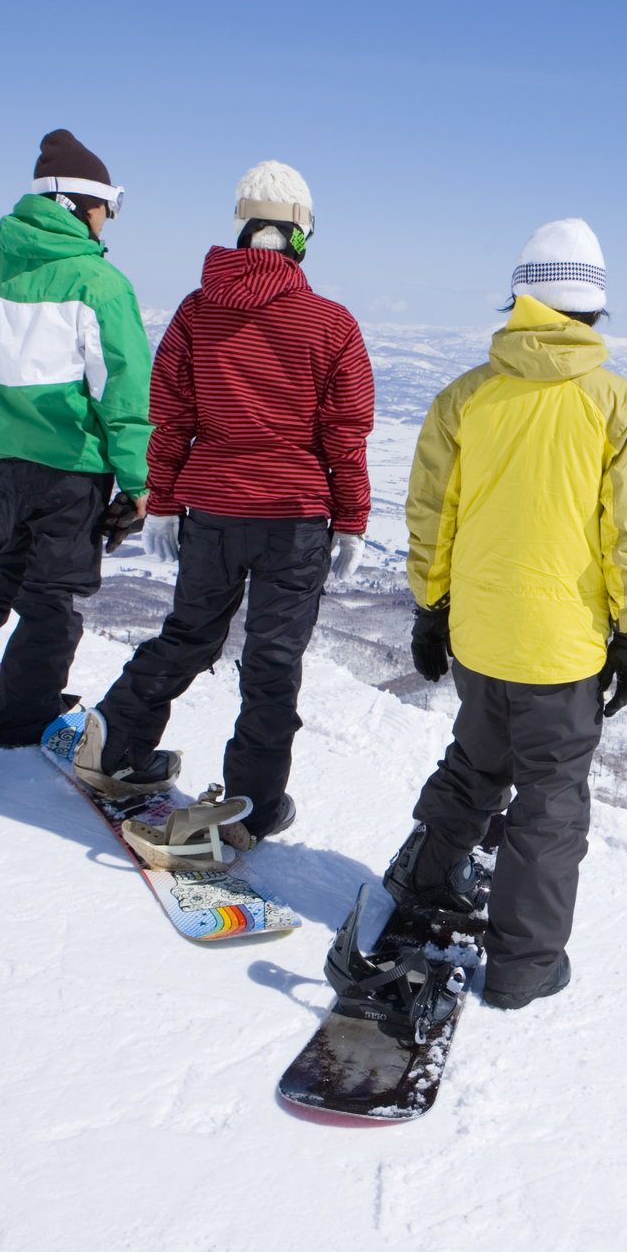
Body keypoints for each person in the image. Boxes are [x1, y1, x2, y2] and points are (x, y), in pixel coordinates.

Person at [372, 217, 627, 1010]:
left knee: (475, 765)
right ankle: (522, 968)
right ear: (593, 308)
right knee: (550, 802)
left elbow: (431, 514)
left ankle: (422, 884)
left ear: (519, 300)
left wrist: (430, 609)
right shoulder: (617, 404)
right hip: (562, 651)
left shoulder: (465, 396)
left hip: (479, 636)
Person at [70, 161, 374, 870]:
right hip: (295, 518)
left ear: (242, 228)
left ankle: (113, 745)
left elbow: (170, 416)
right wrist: (351, 518)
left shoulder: (196, 310)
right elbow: (345, 435)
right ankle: (250, 810)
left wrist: (165, 501)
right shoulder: (331, 324)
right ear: (302, 235)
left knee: (189, 634)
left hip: (211, 509)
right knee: (272, 663)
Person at [0, 130, 152, 748]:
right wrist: (139, 480)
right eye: (108, 205)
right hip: (69, 464)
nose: (108, 219)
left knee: (3, 570)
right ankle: (22, 717)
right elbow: (124, 394)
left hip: (4, 458)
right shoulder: (99, 283)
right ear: (76, 204)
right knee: (53, 595)